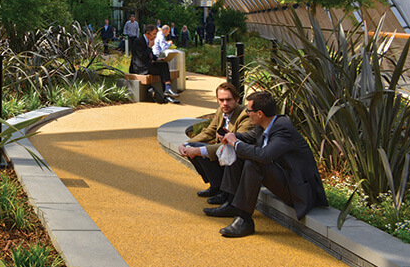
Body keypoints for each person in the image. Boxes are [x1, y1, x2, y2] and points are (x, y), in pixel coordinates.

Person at [205, 91, 328, 238]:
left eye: (249, 111)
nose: (247, 113)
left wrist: (235, 142)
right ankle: (232, 204)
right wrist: (230, 136)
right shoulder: (264, 125)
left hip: (298, 188)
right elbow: (247, 138)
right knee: (240, 153)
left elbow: (264, 156)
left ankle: (245, 220)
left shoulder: (283, 130)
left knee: (254, 163)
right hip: (284, 176)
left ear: (260, 113)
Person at [178, 82, 252, 203]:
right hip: (224, 152)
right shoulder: (220, 111)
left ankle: (225, 192)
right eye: (221, 100)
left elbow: (236, 144)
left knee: (199, 151)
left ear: (237, 99)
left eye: (228, 99)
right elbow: (209, 132)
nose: (225, 103)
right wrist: (186, 144)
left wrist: (197, 151)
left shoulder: (245, 116)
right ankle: (216, 186)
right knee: (191, 148)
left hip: (238, 157)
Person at [129, 25, 179, 104]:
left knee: (164, 64)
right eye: (154, 34)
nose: (155, 36)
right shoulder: (138, 41)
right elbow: (142, 56)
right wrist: (149, 47)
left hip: (147, 64)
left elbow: (151, 55)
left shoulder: (149, 40)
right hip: (139, 67)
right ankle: (167, 94)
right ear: (148, 32)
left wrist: (157, 59)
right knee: (162, 71)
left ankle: (167, 89)